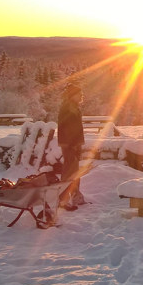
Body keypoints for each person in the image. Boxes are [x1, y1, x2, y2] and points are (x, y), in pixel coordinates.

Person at [57, 82, 86, 210]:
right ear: (72, 95)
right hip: (70, 145)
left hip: (74, 144)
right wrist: (72, 145)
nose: (81, 95)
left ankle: (74, 195)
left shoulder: (73, 106)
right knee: (69, 172)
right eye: (78, 94)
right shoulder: (68, 107)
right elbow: (67, 128)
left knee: (74, 172)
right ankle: (63, 198)